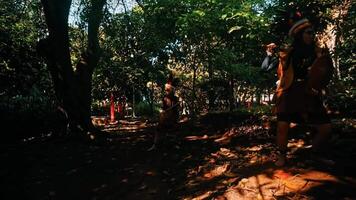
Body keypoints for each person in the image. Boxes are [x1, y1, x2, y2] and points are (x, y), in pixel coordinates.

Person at [262, 13, 334, 166]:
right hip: (290, 91)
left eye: (313, 32)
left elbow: (323, 73)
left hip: (309, 92)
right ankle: (282, 156)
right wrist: (268, 54)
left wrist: (319, 87)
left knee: (326, 128)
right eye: (309, 32)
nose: (312, 35)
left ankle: (314, 153)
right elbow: (265, 68)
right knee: (282, 125)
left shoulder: (317, 52)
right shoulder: (288, 53)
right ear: (300, 34)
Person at [147, 75, 179, 151]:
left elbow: (176, 110)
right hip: (165, 117)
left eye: (167, 90)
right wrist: (163, 113)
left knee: (173, 131)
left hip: (172, 117)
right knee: (158, 130)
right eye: (166, 90)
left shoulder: (175, 98)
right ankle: (155, 145)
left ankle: (174, 145)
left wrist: (174, 116)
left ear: (172, 90)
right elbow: (164, 108)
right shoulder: (165, 98)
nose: (166, 91)